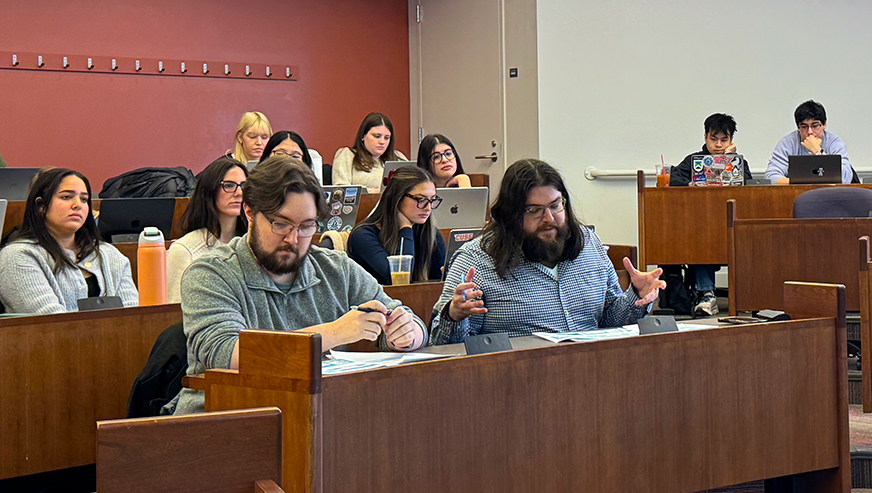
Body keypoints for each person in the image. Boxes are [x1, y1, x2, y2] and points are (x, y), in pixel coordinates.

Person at [172, 156, 428, 415]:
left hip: (316, 416)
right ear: (249, 212)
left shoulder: (337, 269)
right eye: (280, 224)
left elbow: (412, 324)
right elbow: (227, 356)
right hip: (225, 419)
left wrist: (407, 334)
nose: (293, 239)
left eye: (307, 226)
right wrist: (336, 332)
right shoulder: (210, 273)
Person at [429, 159, 664, 345]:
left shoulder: (589, 244)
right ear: (511, 214)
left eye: (555, 205)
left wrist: (636, 294)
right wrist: (454, 315)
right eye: (534, 210)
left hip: (591, 373)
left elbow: (610, 322)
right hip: (516, 381)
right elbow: (442, 345)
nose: (549, 219)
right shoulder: (475, 260)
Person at [0, 168, 138, 313]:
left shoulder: (110, 254)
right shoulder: (17, 257)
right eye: (66, 197)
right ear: (40, 206)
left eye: (84, 199)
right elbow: (51, 321)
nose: (77, 204)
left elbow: (133, 316)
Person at [668, 113, 751, 315]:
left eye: (724, 140)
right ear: (705, 137)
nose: (719, 145)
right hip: (702, 225)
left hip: (731, 225)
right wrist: (690, 184)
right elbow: (673, 179)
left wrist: (727, 159)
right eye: (714, 139)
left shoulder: (738, 162)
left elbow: (749, 186)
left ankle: (749, 295)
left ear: (732, 140)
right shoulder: (693, 161)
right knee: (701, 237)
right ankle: (706, 294)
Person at [166, 157, 248, 303]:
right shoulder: (184, 250)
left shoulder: (252, 243)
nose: (239, 193)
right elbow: (175, 315)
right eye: (229, 186)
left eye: (244, 185)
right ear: (209, 191)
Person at [347, 166, 447, 285]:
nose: (428, 208)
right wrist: (405, 228)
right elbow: (399, 280)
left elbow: (439, 282)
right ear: (397, 198)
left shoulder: (431, 233)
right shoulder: (363, 235)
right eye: (421, 199)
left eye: (432, 200)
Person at [765, 100, 856, 184]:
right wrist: (801, 184)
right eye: (804, 127)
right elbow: (771, 176)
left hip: (829, 195)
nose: (809, 132)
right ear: (798, 127)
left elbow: (845, 178)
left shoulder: (834, 143)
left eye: (815, 126)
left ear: (824, 125)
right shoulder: (788, 143)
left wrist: (817, 151)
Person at [332, 112, 407, 193]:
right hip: (362, 204)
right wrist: (374, 192)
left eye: (386, 138)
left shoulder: (398, 157)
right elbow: (340, 192)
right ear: (363, 136)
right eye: (377, 136)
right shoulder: (347, 155)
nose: (382, 142)